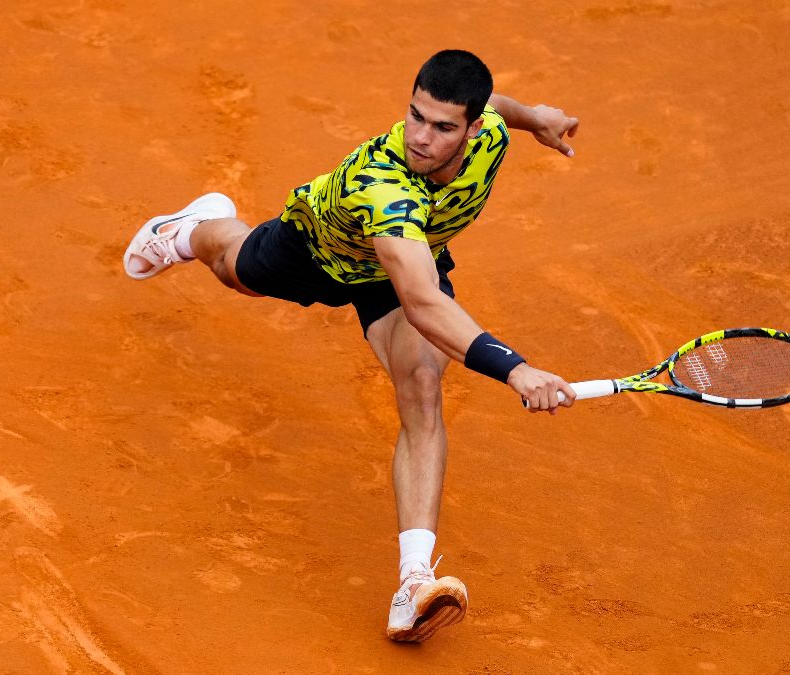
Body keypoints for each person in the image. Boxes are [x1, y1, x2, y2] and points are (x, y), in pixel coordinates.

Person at [123, 49, 578, 643]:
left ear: (470, 130)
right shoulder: (384, 186)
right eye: (415, 116)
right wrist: (515, 370)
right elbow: (423, 302)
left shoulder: (489, 129)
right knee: (232, 266)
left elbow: (496, 105)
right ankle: (184, 229)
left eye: (443, 127)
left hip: (408, 258)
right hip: (315, 251)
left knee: (420, 385)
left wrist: (536, 116)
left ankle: (414, 581)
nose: (421, 136)